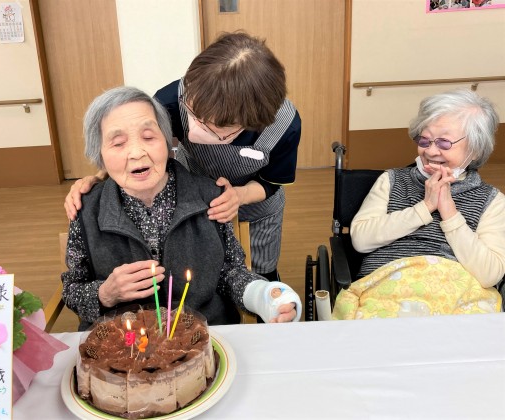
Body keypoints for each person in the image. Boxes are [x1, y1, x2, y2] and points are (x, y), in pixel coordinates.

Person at [64, 32, 302, 282]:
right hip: (195, 199)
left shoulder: (284, 125)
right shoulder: (171, 100)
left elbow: (271, 182)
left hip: (257, 205)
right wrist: (99, 177)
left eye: (213, 126)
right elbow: (138, 148)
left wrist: (238, 196)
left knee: (260, 272)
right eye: (193, 112)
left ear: (250, 123)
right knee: (205, 271)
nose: (195, 126)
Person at [61, 86, 302, 330]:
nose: (136, 153)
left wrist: (263, 295)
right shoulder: (85, 208)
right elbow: (72, 290)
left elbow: (229, 273)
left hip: (203, 336)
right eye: (118, 143)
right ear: (99, 155)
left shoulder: (211, 197)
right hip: (121, 343)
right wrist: (105, 293)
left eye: (148, 137)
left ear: (168, 142)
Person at [333, 89, 505, 318]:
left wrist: (450, 213)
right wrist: (423, 208)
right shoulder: (391, 180)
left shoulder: (492, 200)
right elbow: (361, 240)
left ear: (475, 149)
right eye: (424, 140)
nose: (431, 151)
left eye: (444, 143)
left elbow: (489, 274)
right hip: (389, 288)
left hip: (458, 295)